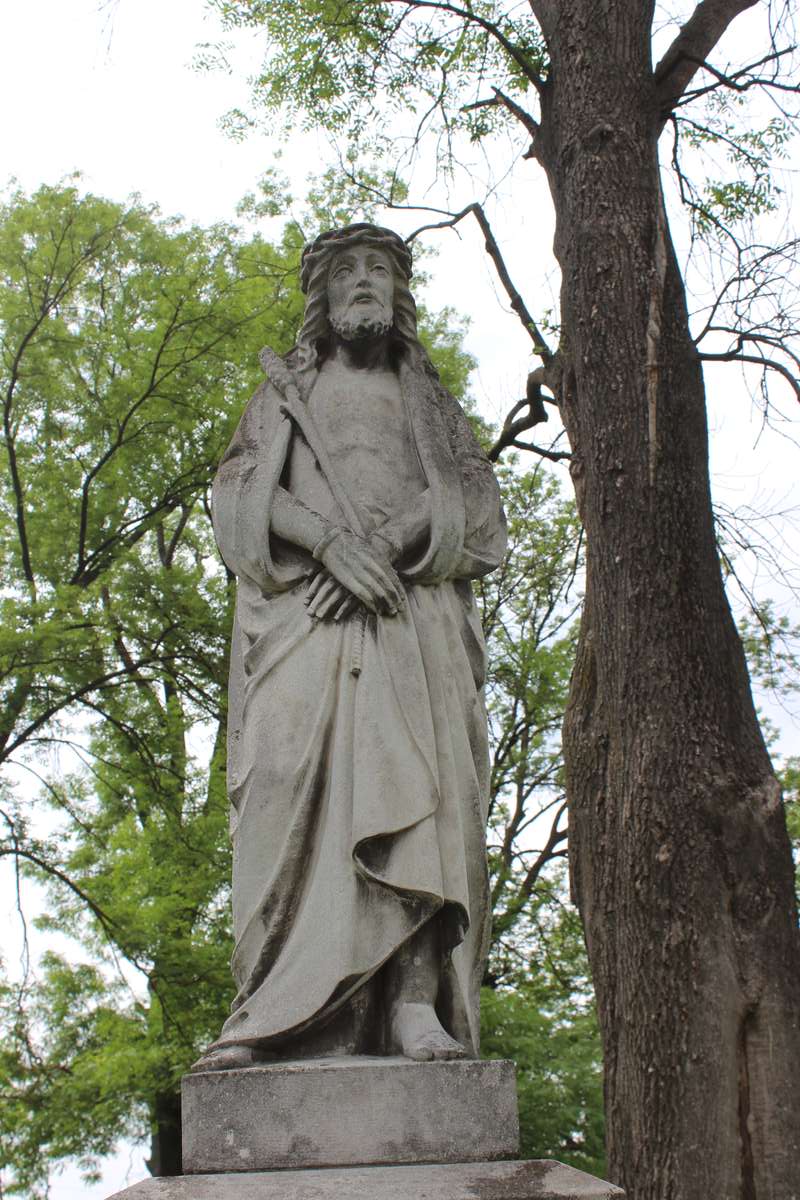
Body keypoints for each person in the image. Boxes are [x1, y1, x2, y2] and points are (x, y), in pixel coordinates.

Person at [193, 223, 506, 1072]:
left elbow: (477, 507)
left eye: (380, 270)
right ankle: (282, 1015)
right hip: (305, 622)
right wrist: (331, 547)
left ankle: (411, 1006)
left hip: (411, 621)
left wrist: (392, 543)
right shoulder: (283, 394)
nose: (364, 283)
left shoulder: (432, 404)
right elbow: (235, 498)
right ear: (322, 300)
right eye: (347, 273)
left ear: (399, 296)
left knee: (423, 804)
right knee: (285, 786)